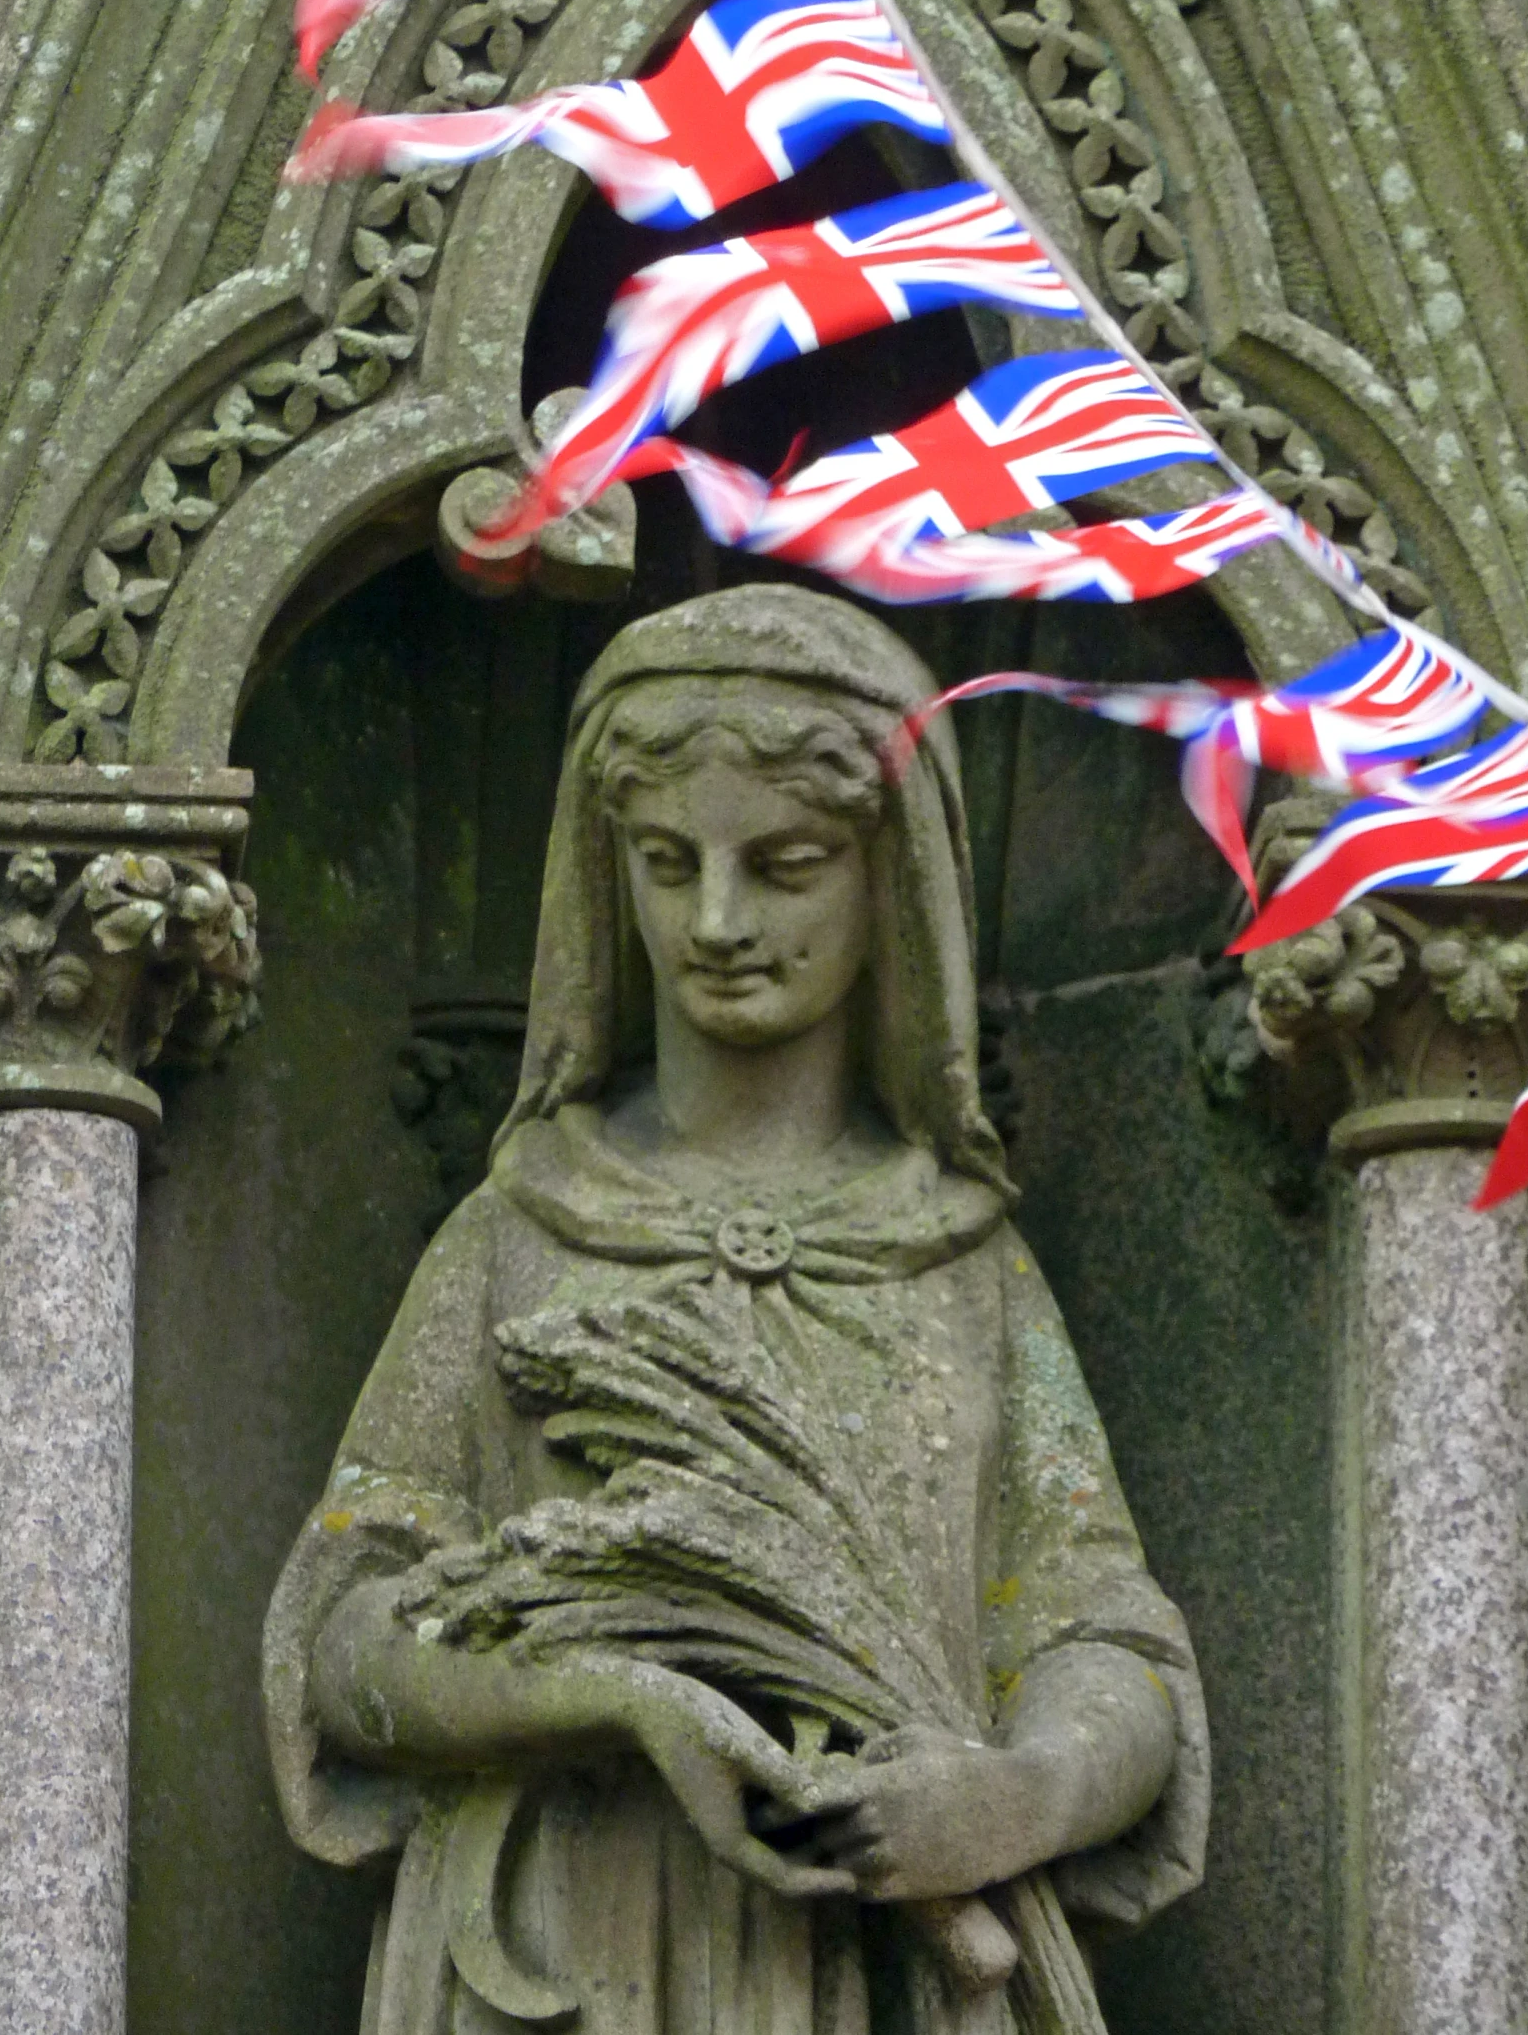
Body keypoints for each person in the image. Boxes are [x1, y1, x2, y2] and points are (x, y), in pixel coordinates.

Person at [264, 586, 1208, 2035]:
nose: (715, 920)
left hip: (897, 1962)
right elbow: (346, 1634)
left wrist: (1017, 1794)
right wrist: (616, 1693)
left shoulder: (955, 1261)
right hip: (566, 1955)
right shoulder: (520, 1236)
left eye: (784, 864)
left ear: (884, 879)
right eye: (663, 861)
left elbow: (1106, 1636)